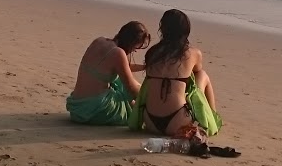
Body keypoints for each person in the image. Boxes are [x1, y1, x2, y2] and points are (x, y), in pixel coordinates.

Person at [131, 9, 221, 139]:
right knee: (202, 75)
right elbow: (195, 74)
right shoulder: (193, 53)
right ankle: (212, 115)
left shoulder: (152, 52)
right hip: (177, 121)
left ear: (163, 29)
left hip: (150, 121)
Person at [66, 21, 151, 126]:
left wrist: (145, 67)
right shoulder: (118, 53)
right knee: (127, 90)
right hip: (94, 110)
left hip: (77, 107)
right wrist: (148, 100)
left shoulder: (99, 41)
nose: (134, 51)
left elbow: (123, 67)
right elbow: (131, 88)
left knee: (118, 82)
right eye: (134, 48)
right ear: (130, 43)